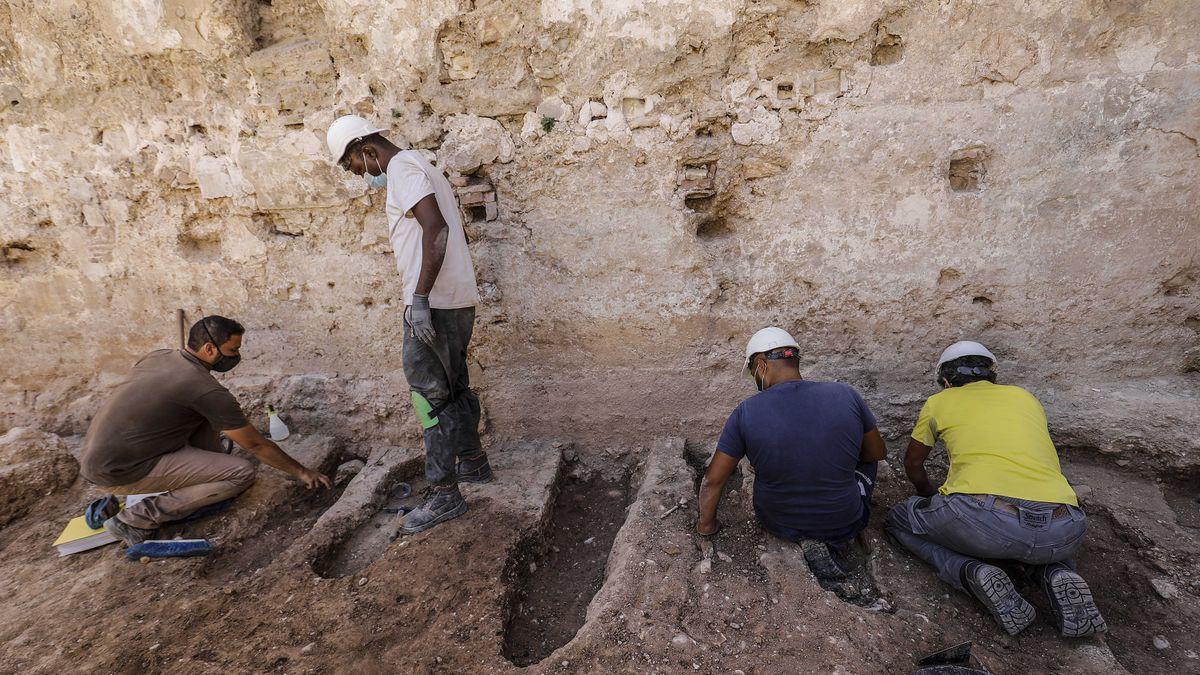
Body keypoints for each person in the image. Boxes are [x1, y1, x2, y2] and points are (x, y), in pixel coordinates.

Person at [326, 114, 490, 534]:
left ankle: (444, 495)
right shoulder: (421, 164)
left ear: (365, 148)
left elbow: (435, 230)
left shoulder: (401, 168)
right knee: (453, 386)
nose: (359, 175)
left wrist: (419, 300)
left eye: (353, 165)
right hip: (453, 300)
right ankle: (472, 463)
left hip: (432, 305)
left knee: (428, 398)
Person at [886, 340, 1107, 637]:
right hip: (1066, 523)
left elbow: (913, 464)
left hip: (985, 519)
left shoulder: (939, 402)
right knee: (1034, 535)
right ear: (992, 374)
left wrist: (927, 495)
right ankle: (1057, 571)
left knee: (899, 519)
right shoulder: (1024, 397)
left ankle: (970, 571)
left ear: (946, 380)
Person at [79, 316, 332, 546]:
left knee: (204, 418)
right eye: (233, 350)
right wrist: (302, 471)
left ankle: (193, 472)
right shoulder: (205, 389)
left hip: (99, 455)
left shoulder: (159, 356)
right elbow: (256, 445)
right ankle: (135, 518)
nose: (236, 356)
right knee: (240, 473)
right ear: (210, 349)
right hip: (120, 471)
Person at [696, 327, 887, 579]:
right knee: (866, 463)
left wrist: (706, 527)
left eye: (753, 372)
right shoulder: (845, 394)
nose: (755, 379)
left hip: (778, 521)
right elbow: (876, 452)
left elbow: (712, 480)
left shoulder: (746, 411)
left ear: (762, 364)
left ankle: (804, 533)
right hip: (846, 521)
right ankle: (833, 523)